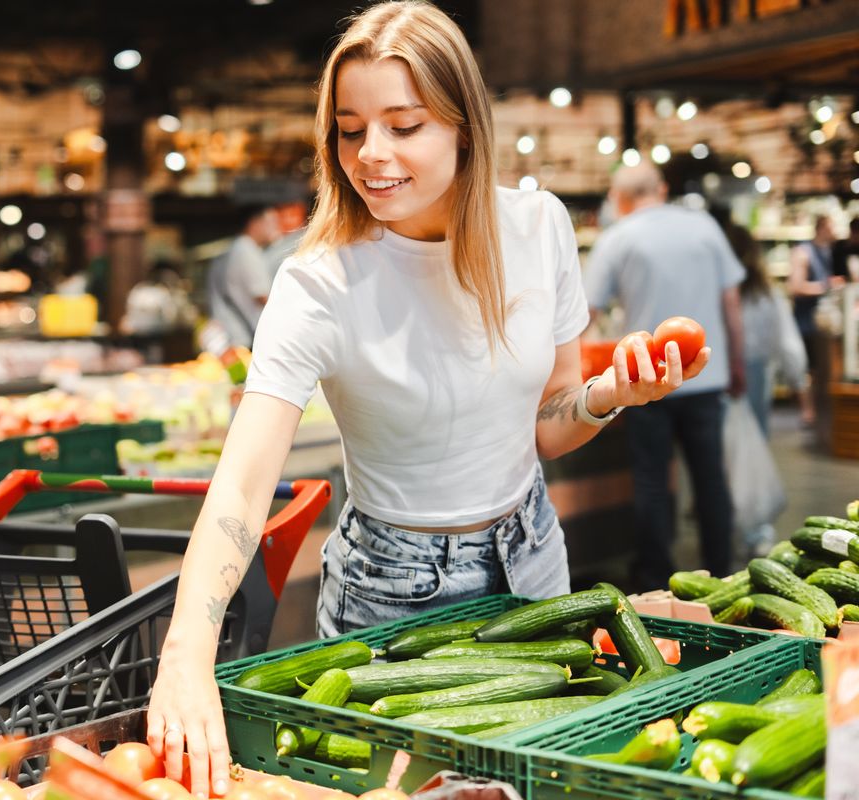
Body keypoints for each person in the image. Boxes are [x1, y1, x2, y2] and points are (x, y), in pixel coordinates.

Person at [146, 3, 712, 796]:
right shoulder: (318, 284)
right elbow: (241, 485)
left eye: (403, 125)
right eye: (350, 129)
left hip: (532, 563)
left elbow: (547, 426)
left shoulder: (539, 228)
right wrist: (185, 659)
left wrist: (606, 394)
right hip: (391, 595)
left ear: (463, 128)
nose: (371, 155)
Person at [583, 163, 744, 591]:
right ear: (663, 188)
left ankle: (656, 576)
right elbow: (731, 302)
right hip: (706, 378)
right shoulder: (705, 226)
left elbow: (586, 312)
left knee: (652, 481)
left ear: (619, 199)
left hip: (646, 383)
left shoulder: (617, 237)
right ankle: (723, 572)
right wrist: (738, 363)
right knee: (711, 478)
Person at [721, 220, 806, 556]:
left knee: (726, 455)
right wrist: (797, 381)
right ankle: (757, 530)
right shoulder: (766, 294)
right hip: (755, 376)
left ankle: (728, 520)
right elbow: (787, 343)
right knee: (754, 449)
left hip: (719, 377)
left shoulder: (719, 291)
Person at [788, 215, 843, 424]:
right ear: (821, 228)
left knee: (820, 367)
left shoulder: (829, 251)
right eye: (832, 226)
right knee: (806, 367)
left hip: (823, 321)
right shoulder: (803, 252)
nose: (836, 230)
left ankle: (819, 411)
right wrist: (826, 286)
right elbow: (795, 286)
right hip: (805, 320)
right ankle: (808, 411)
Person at [206, 203, 282, 347]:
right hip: (242, 339)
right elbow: (264, 297)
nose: (276, 228)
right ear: (255, 223)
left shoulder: (231, 250)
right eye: (271, 222)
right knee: (242, 370)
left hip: (226, 337)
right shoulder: (247, 250)